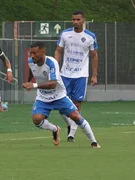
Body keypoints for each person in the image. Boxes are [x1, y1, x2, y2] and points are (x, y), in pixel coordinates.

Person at [22, 41, 100, 148]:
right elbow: (33, 70)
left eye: (35, 53)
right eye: (31, 53)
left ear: (43, 51)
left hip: (59, 96)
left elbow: (53, 84)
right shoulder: (31, 62)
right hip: (43, 97)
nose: (32, 56)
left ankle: (94, 142)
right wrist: (28, 81)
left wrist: (34, 85)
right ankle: (55, 129)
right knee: (36, 119)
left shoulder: (51, 63)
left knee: (76, 116)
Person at [54, 10, 98, 142]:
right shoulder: (65, 34)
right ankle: (70, 124)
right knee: (62, 105)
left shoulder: (90, 36)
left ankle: (71, 134)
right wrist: (55, 68)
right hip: (65, 74)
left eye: (78, 19)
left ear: (83, 20)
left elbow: (94, 55)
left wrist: (94, 75)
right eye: (73, 19)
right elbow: (58, 50)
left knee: (77, 104)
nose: (75, 22)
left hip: (81, 75)